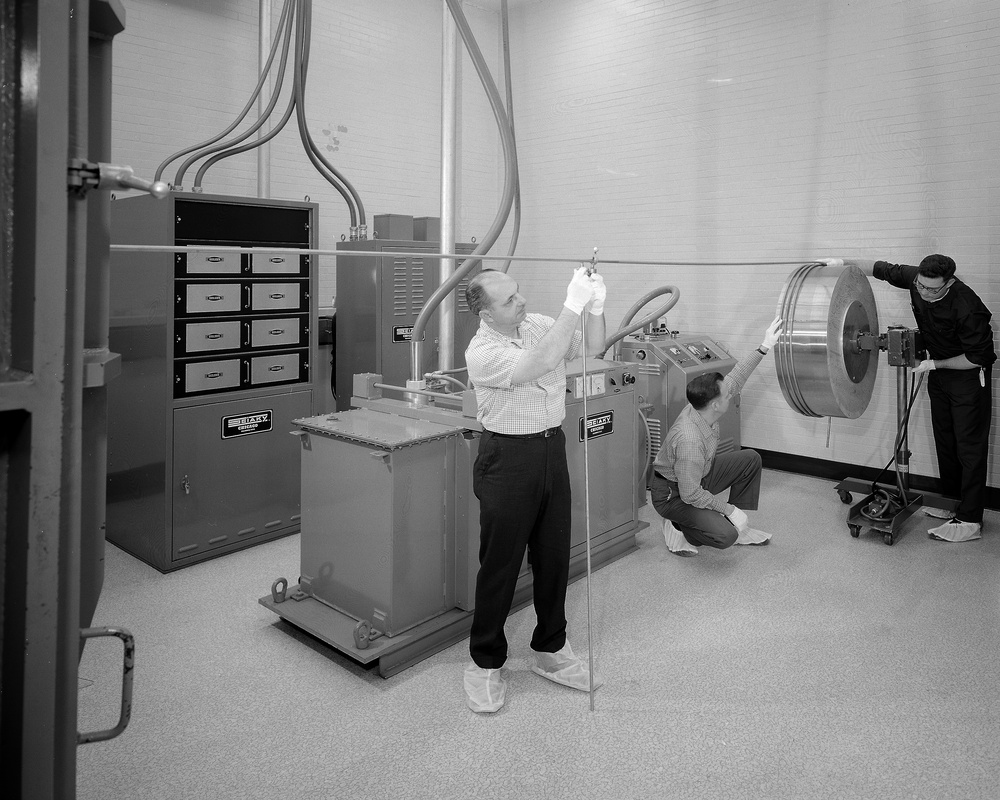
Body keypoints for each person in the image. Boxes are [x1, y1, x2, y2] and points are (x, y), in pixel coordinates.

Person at [462, 266, 607, 713]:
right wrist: (572, 304)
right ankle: (485, 662)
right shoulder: (482, 350)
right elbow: (542, 363)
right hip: (507, 458)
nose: (521, 301)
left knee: (553, 556)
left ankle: (550, 649)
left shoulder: (541, 324)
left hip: (550, 449)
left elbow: (595, 347)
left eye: (519, 292)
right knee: (501, 565)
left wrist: (595, 307)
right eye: (509, 300)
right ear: (485, 314)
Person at [851, 254, 995, 542]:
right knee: (945, 439)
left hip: (967, 378)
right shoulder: (916, 279)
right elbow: (879, 268)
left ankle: (970, 519)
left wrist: (935, 364)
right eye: (920, 287)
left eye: (933, 289)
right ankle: (950, 502)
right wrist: (838, 262)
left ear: (949, 283)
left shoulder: (968, 306)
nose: (924, 293)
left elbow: (978, 356)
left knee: (969, 447)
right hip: (939, 376)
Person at [650, 317, 783, 556]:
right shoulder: (690, 440)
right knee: (725, 535)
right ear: (714, 405)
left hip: (697, 476)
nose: (730, 394)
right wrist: (729, 509)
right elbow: (690, 494)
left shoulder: (701, 405)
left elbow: (736, 378)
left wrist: (765, 346)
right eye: (725, 395)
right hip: (674, 494)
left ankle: (737, 525)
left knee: (750, 459)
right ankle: (678, 526)